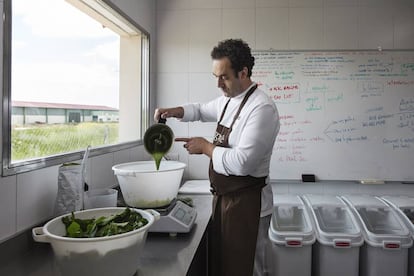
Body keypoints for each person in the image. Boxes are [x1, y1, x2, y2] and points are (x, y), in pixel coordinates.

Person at [154, 39, 280, 276]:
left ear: (243, 72)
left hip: (250, 206)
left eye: (224, 77)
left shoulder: (261, 109)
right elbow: (201, 110)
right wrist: (174, 111)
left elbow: (243, 163)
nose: (219, 84)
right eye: (215, 76)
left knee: (250, 268)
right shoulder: (229, 101)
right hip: (226, 201)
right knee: (230, 265)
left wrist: (206, 147)